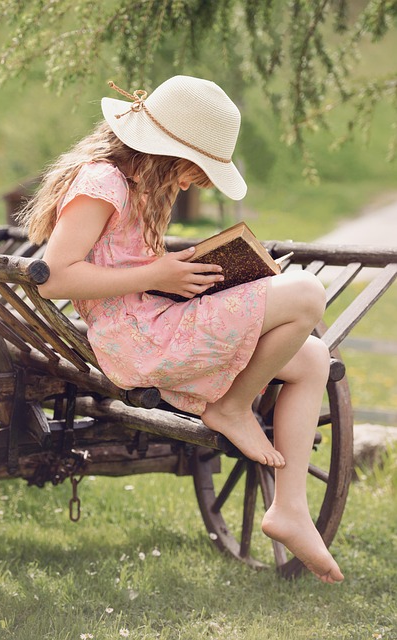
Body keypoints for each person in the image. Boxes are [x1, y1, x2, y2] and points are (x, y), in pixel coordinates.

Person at [20, 75, 344, 583]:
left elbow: (124, 261)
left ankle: (290, 509)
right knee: (306, 293)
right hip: (136, 342)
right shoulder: (102, 181)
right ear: (168, 151)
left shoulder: (149, 186)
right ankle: (231, 406)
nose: (199, 181)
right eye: (198, 168)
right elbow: (54, 277)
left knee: (312, 360)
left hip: (156, 321)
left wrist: (184, 268)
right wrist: (159, 273)